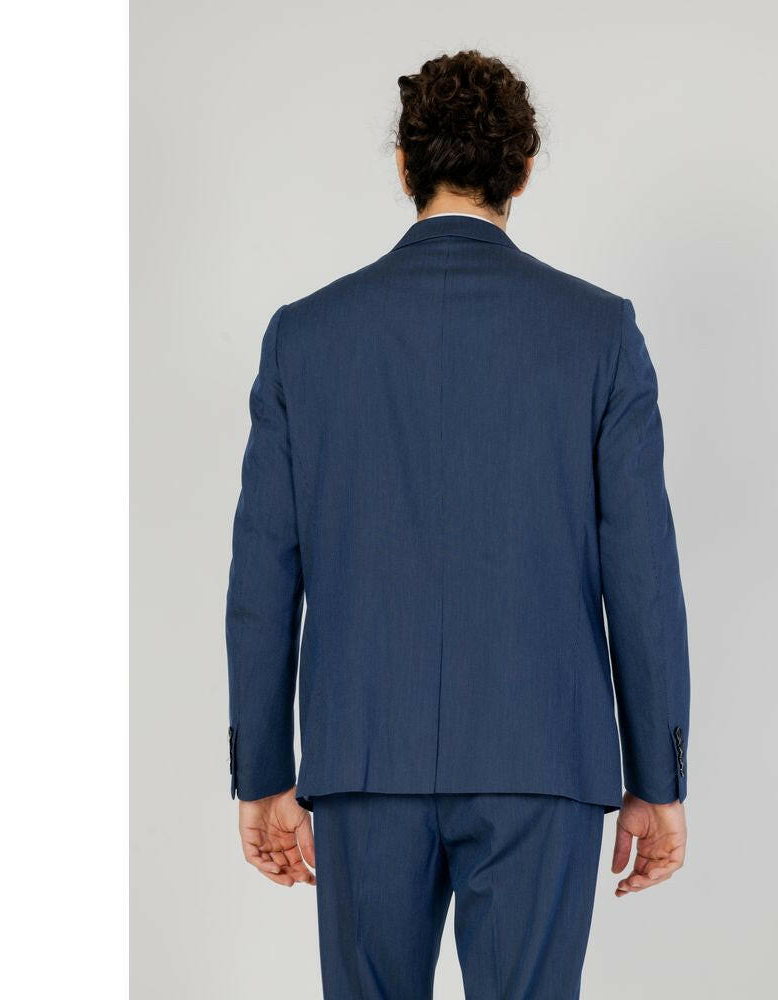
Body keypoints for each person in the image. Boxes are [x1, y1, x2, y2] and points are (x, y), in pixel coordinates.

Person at [226, 49, 690, 999]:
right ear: (522, 172)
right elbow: (641, 576)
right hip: (541, 757)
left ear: (405, 164)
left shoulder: (304, 337)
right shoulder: (600, 334)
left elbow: (263, 577)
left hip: (364, 757)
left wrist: (264, 775)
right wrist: (658, 777)